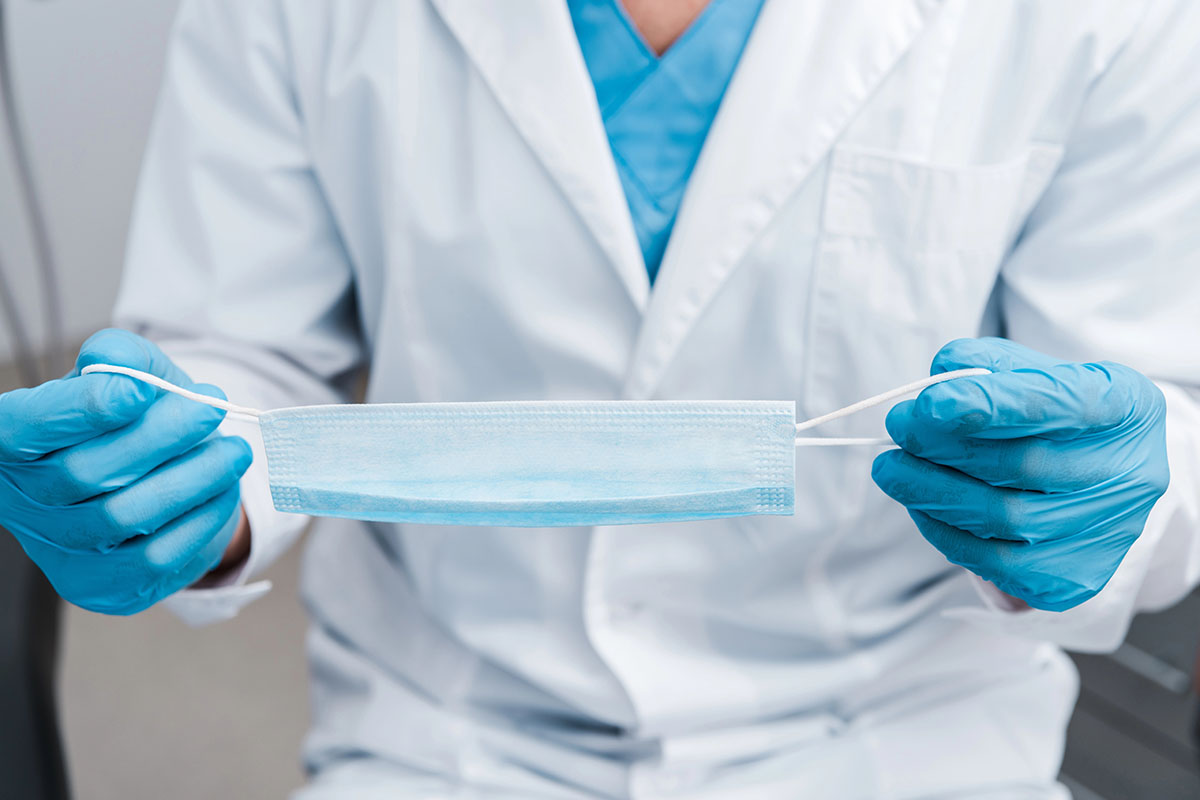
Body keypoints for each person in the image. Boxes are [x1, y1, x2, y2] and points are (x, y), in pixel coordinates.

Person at [2, 1, 1199, 796]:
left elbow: (1152, 405)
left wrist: (1116, 499)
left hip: (897, 732)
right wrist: (182, 492)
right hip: (447, 730)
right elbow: (244, 360)